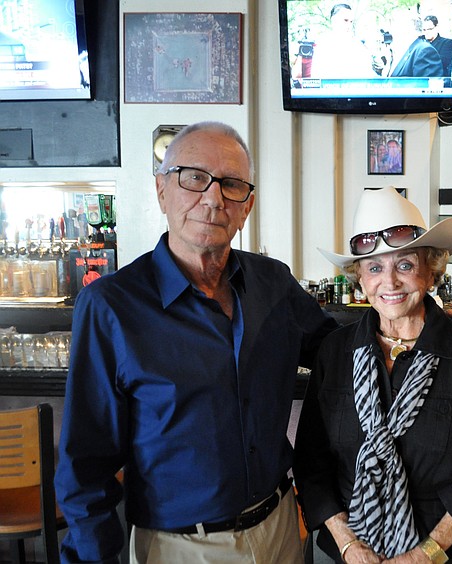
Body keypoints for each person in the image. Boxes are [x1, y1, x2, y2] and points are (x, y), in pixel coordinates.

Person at [55, 121, 340, 563]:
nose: (212, 199)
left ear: (247, 206)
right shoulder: (111, 307)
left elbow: (341, 349)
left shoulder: (273, 282)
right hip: (182, 547)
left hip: (282, 528)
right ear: (161, 190)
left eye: (231, 184)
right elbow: (84, 464)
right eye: (194, 177)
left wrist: (421, 320)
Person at [294, 186, 452, 563]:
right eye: (375, 268)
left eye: (405, 265)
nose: (390, 282)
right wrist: (348, 544)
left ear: (430, 272)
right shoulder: (336, 351)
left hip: (445, 551)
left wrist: (426, 553)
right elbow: (312, 463)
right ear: (359, 278)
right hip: (348, 550)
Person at [308, 3, 376, 79]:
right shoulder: (322, 46)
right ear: (333, 21)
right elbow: (317, 78)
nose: (349, 26)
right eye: (345, 20)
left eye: (351, 22)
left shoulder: (359, 46)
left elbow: (368, 76)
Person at [389, 10, 443, 78]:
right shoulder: (403, 49)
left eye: (393, 22)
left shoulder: (425, 50)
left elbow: (426, 86)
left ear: (410, 26)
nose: (390, 28)